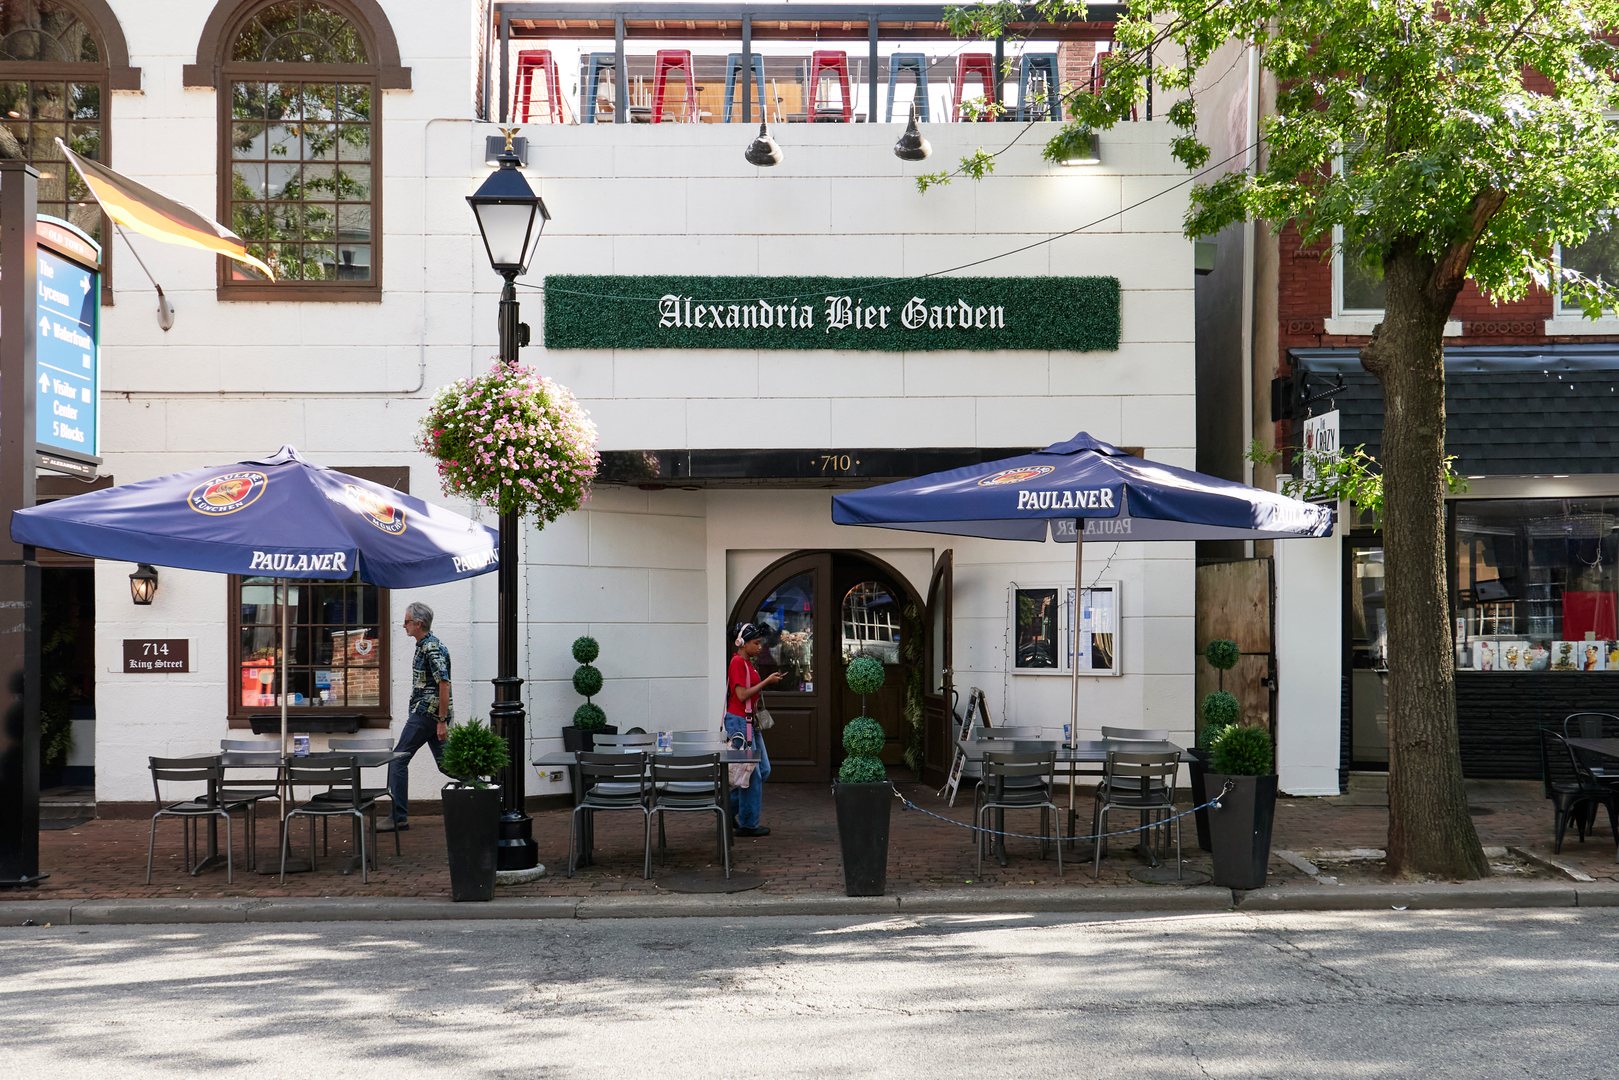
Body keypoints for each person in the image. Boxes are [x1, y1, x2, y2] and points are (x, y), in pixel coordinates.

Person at [382, 601, 452, 832]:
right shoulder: (424, 645)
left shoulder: (431, 648)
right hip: (429, 714)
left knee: (398, 759)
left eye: (407, 621)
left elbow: (444, 683)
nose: (404, 626)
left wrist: (441, 721)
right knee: (447, 765)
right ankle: (488, 793)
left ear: (419, 623)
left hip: (426, 714)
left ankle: (398, 816)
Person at [724, 622, 780, 837]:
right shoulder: (738, 662)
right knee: (752, 774)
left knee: (762, 770)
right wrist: (766, 681)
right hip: (739, 723)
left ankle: (728, 807)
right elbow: (740, 695)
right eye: (755, 643)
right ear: (741, 643)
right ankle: (748, 824)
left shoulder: (748, 663)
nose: (759, 647)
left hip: (749, 722)